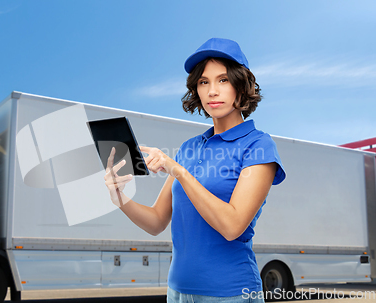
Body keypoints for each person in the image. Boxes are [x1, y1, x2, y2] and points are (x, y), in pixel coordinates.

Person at [104, 38, 286, 303]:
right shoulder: (189, 148)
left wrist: (178, 170)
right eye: (204, 82)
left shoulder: (258, 145)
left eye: (223, 80)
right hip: (178, 292)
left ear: (241, 85)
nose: (213, 91)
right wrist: (119, 198)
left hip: (230, 293)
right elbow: (156, 221)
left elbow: (232, 226)